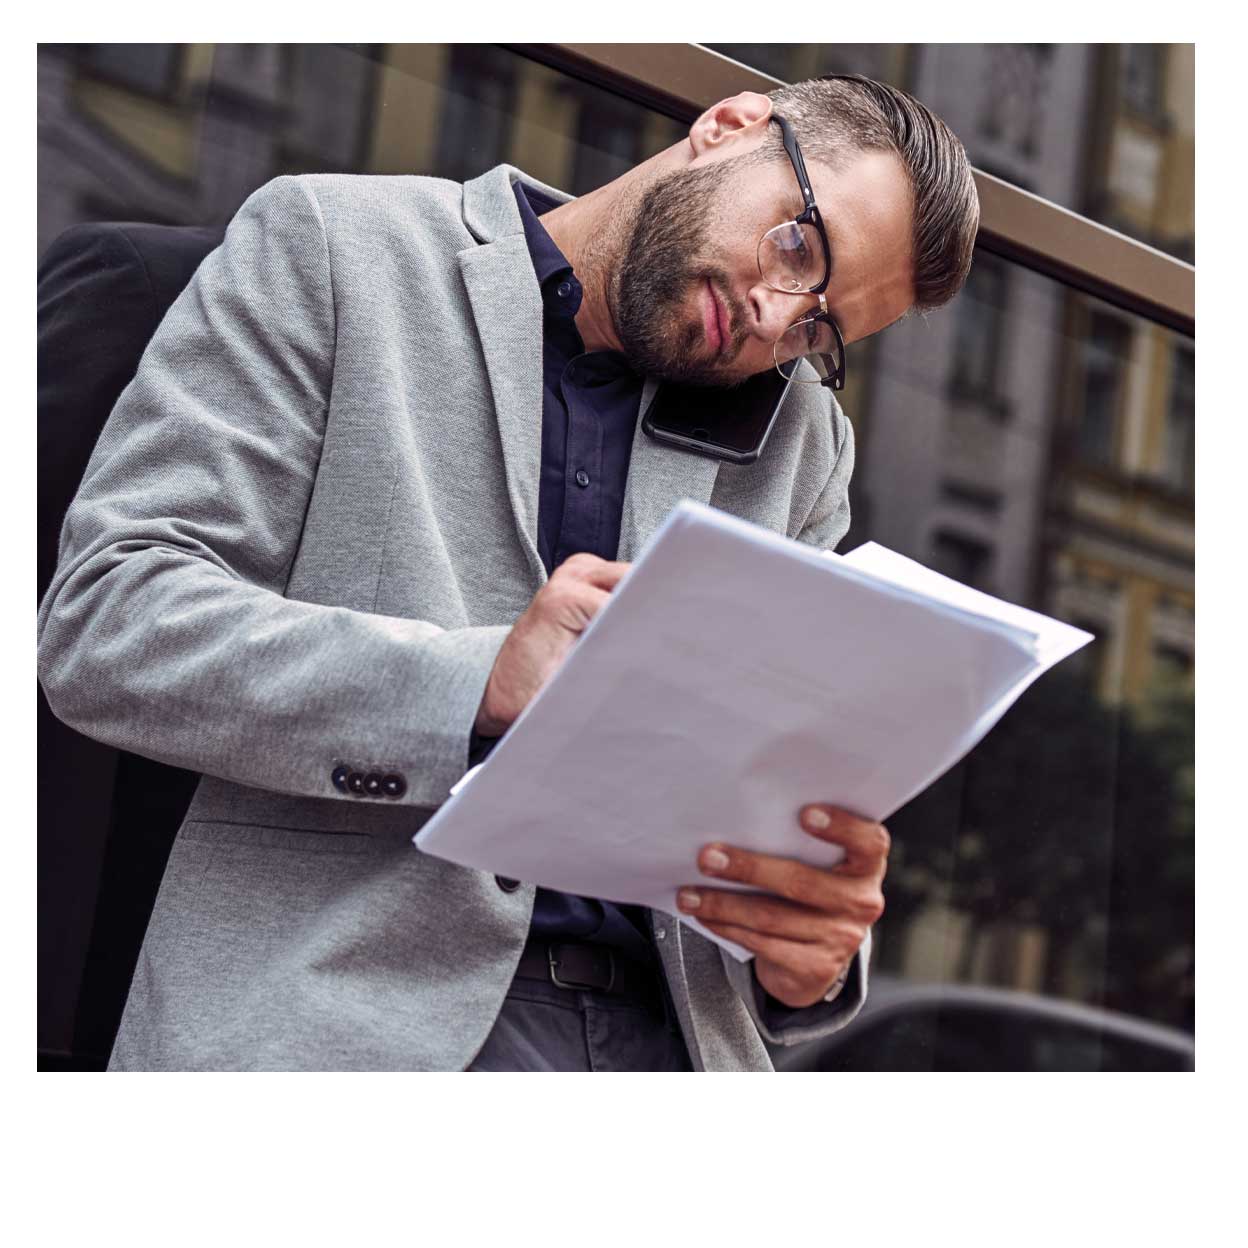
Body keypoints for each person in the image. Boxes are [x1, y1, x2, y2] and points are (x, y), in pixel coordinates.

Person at [37, 73, 980, 1071]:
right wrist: (474, 684)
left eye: (816, 329)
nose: (769, 315)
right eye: (799, 247)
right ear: (730, 127)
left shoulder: (803, 444)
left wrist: (811, 951)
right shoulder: (333, 246)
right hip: (349, 1028)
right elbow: (110, 623)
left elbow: (764, 788)